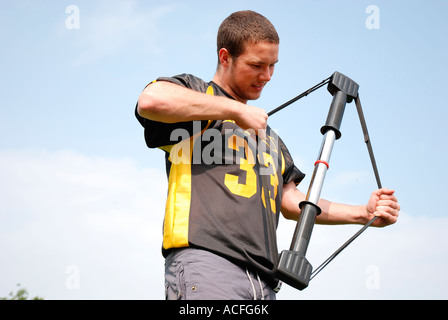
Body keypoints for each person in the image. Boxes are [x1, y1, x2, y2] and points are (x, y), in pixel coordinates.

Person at [135, 10, 400, 300]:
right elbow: (151, 100)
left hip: (263, 281)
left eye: (273, 65)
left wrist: (362, 213)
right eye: (257, 65)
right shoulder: (200, 95)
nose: (267, 76)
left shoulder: (268, 137)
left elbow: (291, 202)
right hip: (207, 263)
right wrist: (235, 109)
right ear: (225, 57)